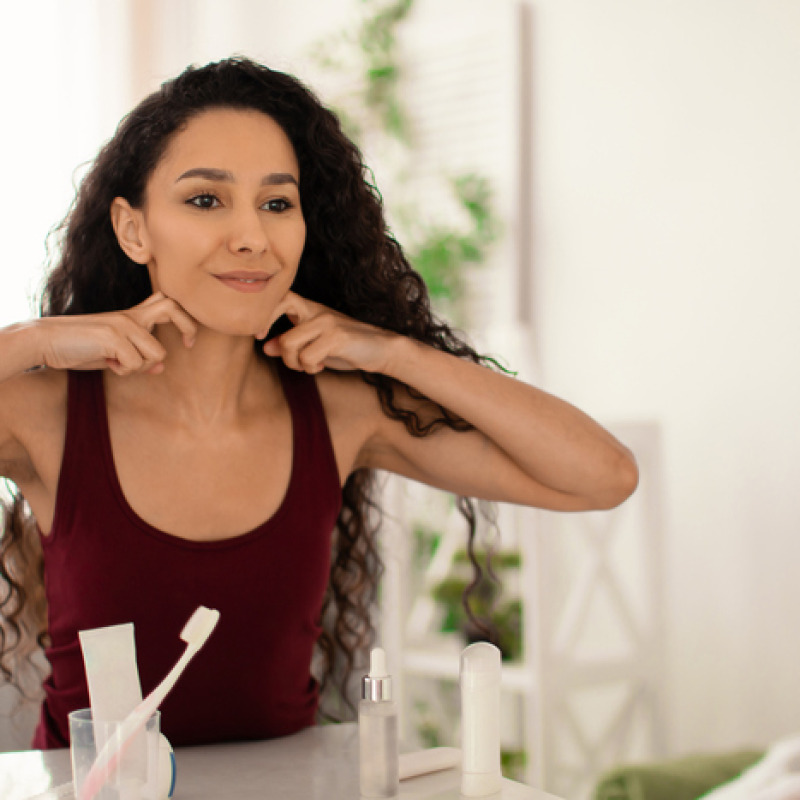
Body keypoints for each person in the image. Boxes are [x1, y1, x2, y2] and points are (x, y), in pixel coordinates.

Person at [0, 57, 638, 749]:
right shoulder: (49, 413)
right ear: (133, 230)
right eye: (206, 200)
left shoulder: (340, 413)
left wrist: (398, 353)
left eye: (277, 203)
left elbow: (604, 476)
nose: (252, 237)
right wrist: (35, 340)